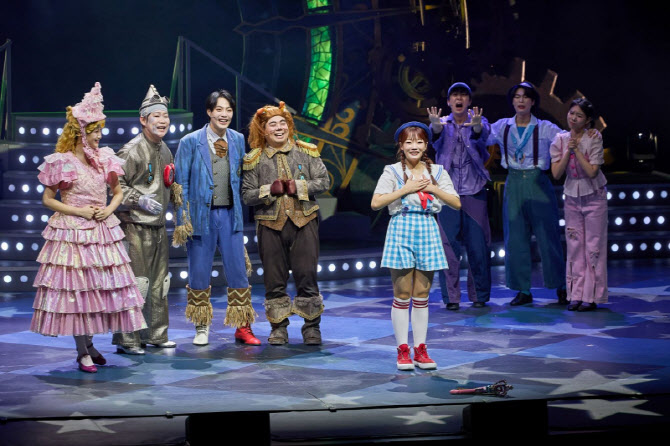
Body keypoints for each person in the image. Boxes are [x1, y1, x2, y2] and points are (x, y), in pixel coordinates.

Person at [31, 82, 146, 373]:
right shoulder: (63, 162)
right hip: (72, 232)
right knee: (78, 293)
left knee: (98, 291)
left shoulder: (104, 159)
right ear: (81, 133)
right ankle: (82, 351)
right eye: (95, 131)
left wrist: (108, 209)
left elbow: (117, 192)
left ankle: (90, 344)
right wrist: (79, 211)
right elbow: (48, 199)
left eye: (100, 131)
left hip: (101, 231)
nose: (99, 136)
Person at [173, 89, 260, 346]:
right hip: (201, 216)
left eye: (228, 110)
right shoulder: (190, 141)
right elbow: (181, 184)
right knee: (199, 272)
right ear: (209, 112)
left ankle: (243, 327)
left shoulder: (237, 139)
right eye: (219, 109)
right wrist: (183, 221)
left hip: (230, 214)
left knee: (238, 271)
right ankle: (202, 326)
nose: (224, 114)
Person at [371, 122, 460, 371]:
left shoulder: (438, 172)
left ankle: (420, 349)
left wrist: (432, 188)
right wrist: (406, 189)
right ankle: (403, 349)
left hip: (427, 228)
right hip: (401, 228)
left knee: (422, 294)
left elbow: (456, 203)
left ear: (426, 145)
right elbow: (376, 203)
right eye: (409, 142)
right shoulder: (392, 171)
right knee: (402, 294)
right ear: (401, 145)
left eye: (419, 142)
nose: (414, 146)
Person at [241, 102, 330, 345]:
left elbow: (323, 182)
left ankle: (311, 327)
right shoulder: (254, 159)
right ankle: (278, 327)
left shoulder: (306, 151)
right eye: (273, 124)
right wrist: (269, 190)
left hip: (304, 221)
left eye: (283, 123)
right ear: (263, 130)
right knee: (274, 279)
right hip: (270, 225)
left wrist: (299, 186)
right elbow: (247, 195)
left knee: (307, 275)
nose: (279, 128)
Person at [487, 82, 568, 306]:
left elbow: (568, 139)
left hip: (538, 181)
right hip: (513, 182)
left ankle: (561, 286)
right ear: (512, 101)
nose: (521, 100)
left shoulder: (545, 128)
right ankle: (523, 290)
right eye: (517, 96)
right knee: (515, 239)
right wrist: (473, 126)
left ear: (533, 101)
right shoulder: (502, 126)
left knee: (548, 237)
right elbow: (480, 136)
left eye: (525, 97)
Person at [112, 85, 179, 354]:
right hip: (134, 226)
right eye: (156, 116)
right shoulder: (131, 150)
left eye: (165, 116)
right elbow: (115, 185)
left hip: (158, 226)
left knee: (160, 284)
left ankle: (156, 334)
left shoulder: (165, 150)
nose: (162, 121)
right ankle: (128, 339)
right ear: (143, 120)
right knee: (136, 283)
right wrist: (138, 199)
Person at [427, 82, 492, 310]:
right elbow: (434, 136)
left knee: (478, 245)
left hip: (474, 191)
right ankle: (451, 297)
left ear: (469, 101)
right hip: (447, 193)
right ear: (448, 101)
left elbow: (482, 135)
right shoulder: (441, 124)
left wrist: (477, 128)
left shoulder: (479, 121)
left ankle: (479, 294)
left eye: (463, 95)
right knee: (448, 247)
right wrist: (435, 128)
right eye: (455, 95)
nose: (459, 98)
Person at [550, 98, 607, 311]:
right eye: (572, 113)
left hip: (594, 196)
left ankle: (591, 297)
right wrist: (568, 150)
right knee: (574, 246)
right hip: (572, 196)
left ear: (588, 120)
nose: (573, 118)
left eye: (579, 115)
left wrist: (577, 151)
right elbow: (556, 173)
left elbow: (592, 172)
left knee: (593, 247)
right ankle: (575, 295)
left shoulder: (594, 137)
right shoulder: (560, 139)